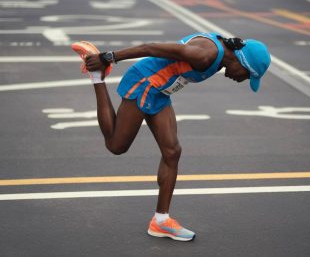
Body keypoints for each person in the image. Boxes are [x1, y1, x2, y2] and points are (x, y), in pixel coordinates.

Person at [71, 32, 271, 242]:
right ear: (242, 61)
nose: (242, 80)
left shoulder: (220, 58)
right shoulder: (205, 55)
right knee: (116, 145)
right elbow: (151, 47)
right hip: (145, 81)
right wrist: (108, 57)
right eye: (247, 75)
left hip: (161, 91)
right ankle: (97, 76)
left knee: (172, 152)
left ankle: (161, 220)